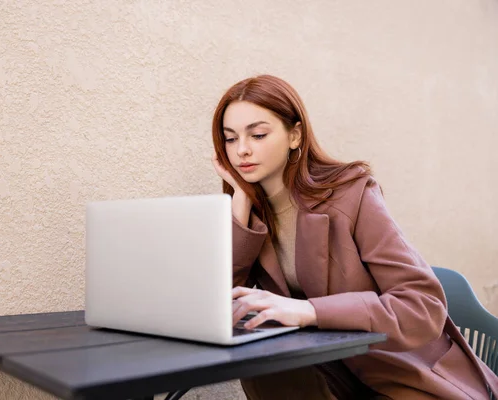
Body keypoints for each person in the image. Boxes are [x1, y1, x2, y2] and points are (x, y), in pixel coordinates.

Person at [210, 74, 498, 399]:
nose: (242, 151)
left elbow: (423, 304)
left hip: (407, 375)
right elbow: (218, 302)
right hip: (329, 378)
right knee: (266, 369)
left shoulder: (351, 193)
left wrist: (311, 311)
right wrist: (241, 201)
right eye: (230, 139)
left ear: (295, 135)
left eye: (258, 134)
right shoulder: (251, 217)